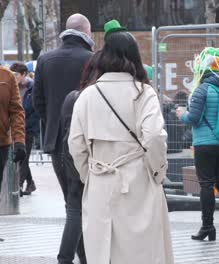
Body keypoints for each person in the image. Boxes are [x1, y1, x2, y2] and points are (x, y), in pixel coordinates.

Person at [68, 21, 173, 264]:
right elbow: (155, 136)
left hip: (101, 181)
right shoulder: (144, 93)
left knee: (104, 252)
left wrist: (91, 174)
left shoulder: (87, 95)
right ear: (134, 57)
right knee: (143, 252)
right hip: (139, 182)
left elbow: (75, 143)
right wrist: (157, 172)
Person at [176, 47, 219, 242]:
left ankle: (207, 227)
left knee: (206, 184)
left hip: (206, 144)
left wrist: (182, 114)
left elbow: (194, 118)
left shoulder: (202, 89)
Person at [32, 13, 94, 202]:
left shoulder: (45, 60)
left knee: (70, 200)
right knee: (87, 199)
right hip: (87, 138)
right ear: (85, 31)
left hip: (57, 139)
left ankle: (74, 229)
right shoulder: (92, 59)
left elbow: (38, 101)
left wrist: (52, 120)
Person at [57, 51, 102, 264]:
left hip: (68, 158)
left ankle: (76, 258)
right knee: (78, 210)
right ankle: (69, 258)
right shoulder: (93, 98)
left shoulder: (72, 96)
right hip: (87, 160)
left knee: (74, 208)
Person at [10, 62, 39, 195]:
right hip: (15, 128)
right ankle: (31, 183)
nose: (14, 77)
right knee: (23, 157)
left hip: (28, 128)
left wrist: (29, 124)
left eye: (16, 75)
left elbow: (35, 108)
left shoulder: (33, 88)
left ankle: (19, 185)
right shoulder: (12, 87)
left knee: (23, 158)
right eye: (12, 74)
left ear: (24, 74)